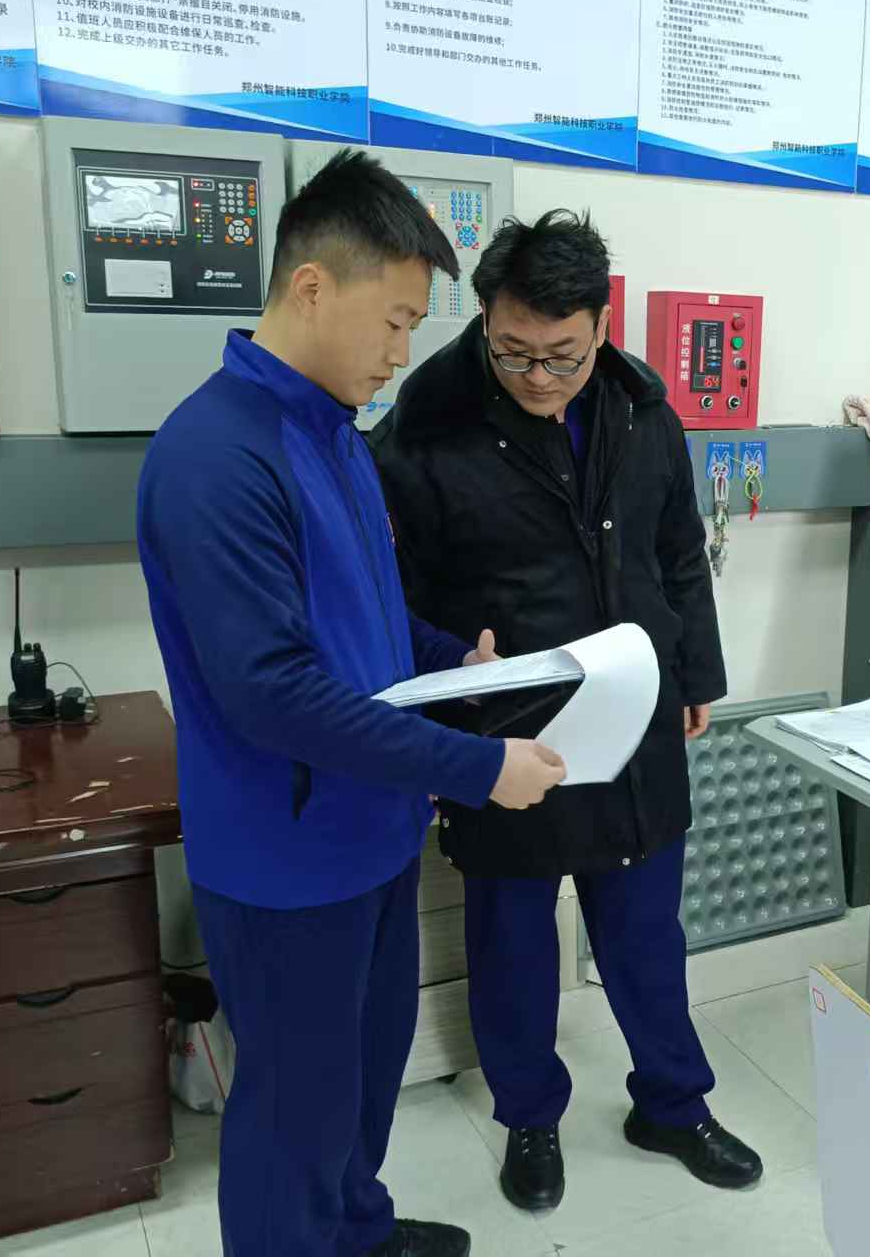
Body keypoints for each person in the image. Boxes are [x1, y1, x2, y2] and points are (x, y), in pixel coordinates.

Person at [136, 151, 566, 1257]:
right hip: (285, 861)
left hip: (371, 834)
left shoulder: (332, 435)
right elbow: (272, 691)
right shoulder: (215, 455)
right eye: (395, 320)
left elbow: (364, 622)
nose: (400, 351)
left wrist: (459, 663)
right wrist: (480, 767)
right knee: (293, 1115)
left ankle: (357, 1234)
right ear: (313, 287)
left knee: (362, 1086)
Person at [369, 209, 762, 1213]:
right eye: (513, 352)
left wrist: (695, 676)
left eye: (562, 355)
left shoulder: (641, 409)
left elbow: (678, 553)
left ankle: (671, 1102)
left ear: (601, 325)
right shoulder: (425, 430)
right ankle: (529, 1116)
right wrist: (446, 706)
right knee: (511, 940)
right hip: (508, 731)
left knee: (645, 932)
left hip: (634, 719)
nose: (538, 377)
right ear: (483, 319)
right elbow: (390, 597)